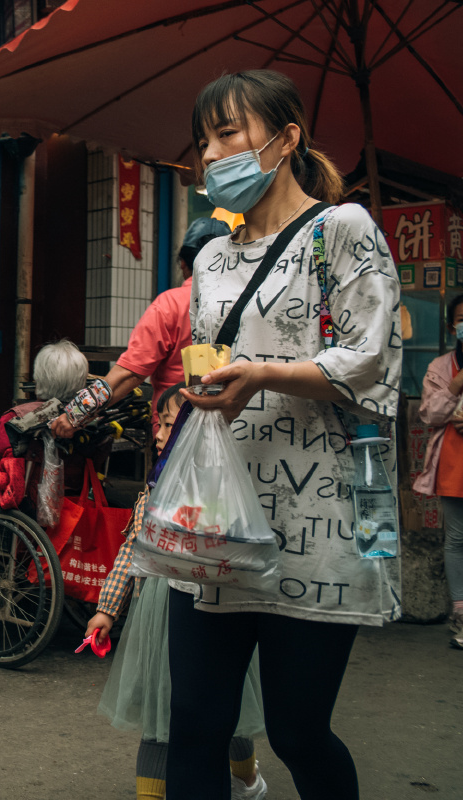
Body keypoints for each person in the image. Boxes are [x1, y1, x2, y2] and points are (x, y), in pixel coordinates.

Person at [166, 70, 401, 799]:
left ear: (286, 137)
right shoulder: (210, 258)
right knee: (195, 724)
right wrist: (199, 393)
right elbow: (214, 361)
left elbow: (369, 360)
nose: (211, 154)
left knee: (298, 730)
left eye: (227, 133)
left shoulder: (344, 229)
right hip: (217, 521)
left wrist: (263, 374)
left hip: (318, 522)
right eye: (204, 141)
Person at [88, 384, 267, 800]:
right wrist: (106, 610)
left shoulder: (222, 488)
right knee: (159, 714)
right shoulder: (153, 488)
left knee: (224, 709)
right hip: (155, 621)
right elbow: (132, 551)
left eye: (169, 424)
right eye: (159, 424)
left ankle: (247, 779)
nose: (158, 433)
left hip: (210, 615)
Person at [50, 217, 231, 440]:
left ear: (184, 263)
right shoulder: (248, 306)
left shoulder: (170, 304)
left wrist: (76, 414)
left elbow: (129, 374)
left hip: (174, 431)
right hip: (234, 430)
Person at [0, 338, 88, 481]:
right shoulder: (87, 419)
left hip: (26, 493)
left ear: (38, 377)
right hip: (78, 491)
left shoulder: (17, 418)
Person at [412, 293, 463, 649]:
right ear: (450, 327)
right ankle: (461, 613)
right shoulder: (441, 367)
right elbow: (430, 414)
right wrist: (457, 384)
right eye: (461, 320)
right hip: (453, 463)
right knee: (457, 540)